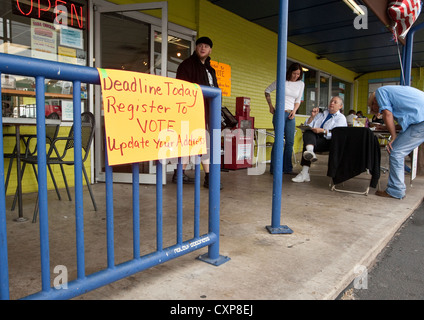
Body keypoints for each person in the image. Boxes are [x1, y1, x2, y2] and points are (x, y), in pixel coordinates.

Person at [175, 36, 221, 189]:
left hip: (207, 112)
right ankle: (208, 177)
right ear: (196, 47)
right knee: (198, 142)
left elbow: (215, 91)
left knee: (198, 142)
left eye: (206, 46)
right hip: (191, 111)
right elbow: (181, 89)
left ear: (210, 50)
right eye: (200, 45)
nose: (203, 48)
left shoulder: (210, 69)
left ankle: (180, 173)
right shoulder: (186, 65)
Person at [368, 85, 424, 199]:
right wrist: (386, 128)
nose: (378, 111)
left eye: (375, 108)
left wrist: (393, 137)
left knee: (396, 152)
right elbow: (406, 124)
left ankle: (396, 190)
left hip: (421, 122)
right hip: (419, 121)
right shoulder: (395, 93)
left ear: (374, 101)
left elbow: (387, 114)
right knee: (397, 151)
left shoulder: (380, 92)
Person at [292, 96, 347, 183]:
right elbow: (308, 124)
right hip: (315, 139)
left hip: (328, 142)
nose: (332, 103)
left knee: (307, 144)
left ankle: (305, 173)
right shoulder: (322, 114)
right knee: (308, 133)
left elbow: (338, 134)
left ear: (340, 106)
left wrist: (323, 131)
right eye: (331, 101)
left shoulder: (341, 118)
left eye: (335, 102)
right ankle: (310, 152)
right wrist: (312, 117)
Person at [265, 62, 305, 175]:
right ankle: (274, 168)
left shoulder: (301, 84)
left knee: (290, 142)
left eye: (298, 74)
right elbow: (267, 91)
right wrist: (270, 106)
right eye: (294, 73)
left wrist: (294, 111)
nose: (296, 76)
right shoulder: (282, 81)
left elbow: (298, 100)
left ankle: (287, 168)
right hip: (279, 113)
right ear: (290, 72)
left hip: (291, 114)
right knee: (278, 141)